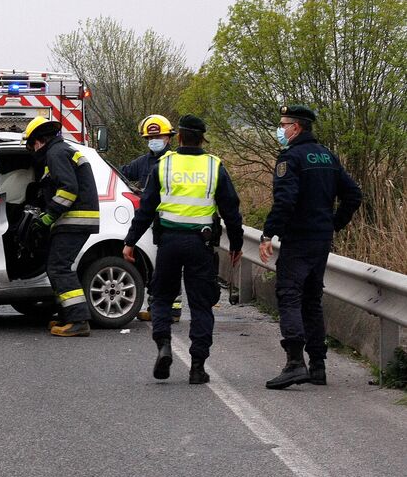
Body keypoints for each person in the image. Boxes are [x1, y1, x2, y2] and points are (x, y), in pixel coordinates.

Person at [122, 115, 243, 384]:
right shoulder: (214, 166)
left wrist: (130, 241)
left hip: (169, 242)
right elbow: (231, 211)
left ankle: (164, 345)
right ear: (202, 139)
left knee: (162, 297)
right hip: (201, 244)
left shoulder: (164, 165)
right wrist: (236, 244)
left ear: (178, 138)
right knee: (201, 304)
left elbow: (146, 208)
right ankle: (197, 367)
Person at [260, 105, 362, 390]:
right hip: (320, 241)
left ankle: (295, 363)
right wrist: (333, 224)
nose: (280, 130)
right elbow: (354, 195)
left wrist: (269, 233)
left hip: (298, 240)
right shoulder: (327, 156)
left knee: (289, 295)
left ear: (297, 127)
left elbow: (285, 201)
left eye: (284, 125)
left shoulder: (290, 158)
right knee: (311, 300)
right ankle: (318, 365)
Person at [23, 117, 101, 337]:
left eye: (32, 145)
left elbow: (68, 189)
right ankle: (68, 314)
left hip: (74, 220)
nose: (33, 150)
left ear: (38, 141)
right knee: (56, 266)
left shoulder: (55, 154)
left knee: (59, 267)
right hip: (76, 219)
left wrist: (48, 217)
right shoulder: (63, 150)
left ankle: (78, 321)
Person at [120, 114, 180, 323]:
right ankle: (157, 307)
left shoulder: (175, 162)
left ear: (169, 138)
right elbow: (121, 174)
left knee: (169, 267)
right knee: (157, 267)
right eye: (150, 138)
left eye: (158, 137)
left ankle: (172, 310)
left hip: (170, 222)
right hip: (149, 222)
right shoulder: (142, 163)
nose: (154, 141)